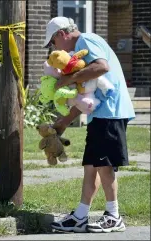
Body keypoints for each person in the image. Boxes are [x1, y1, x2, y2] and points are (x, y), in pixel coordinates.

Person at [42, 16, 135, 233]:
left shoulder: (86, 40)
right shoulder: (81, 51)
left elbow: (102, 67)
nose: (54, 48)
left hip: (110, 112)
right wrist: (65, 121)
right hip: (100, 114)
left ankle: (114, 216)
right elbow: (87, 92)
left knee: (104, 164)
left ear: (61, 34)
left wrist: (67, 80)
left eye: (52, 43)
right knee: (92, 166)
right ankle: (80, 217)